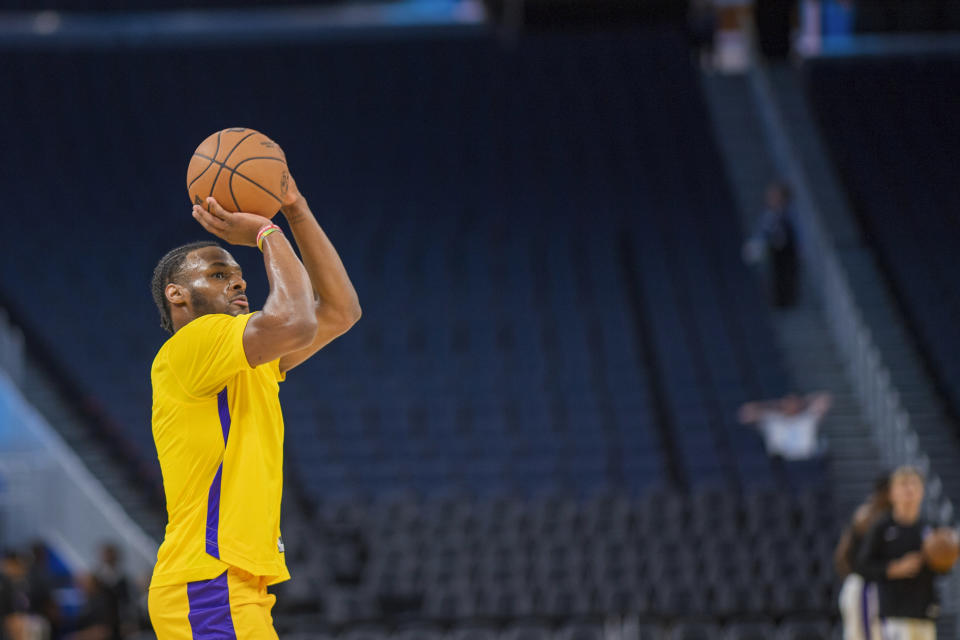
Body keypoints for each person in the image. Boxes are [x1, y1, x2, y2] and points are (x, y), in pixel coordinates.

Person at [147, 165, 361, 640]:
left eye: (240, 274)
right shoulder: (195, 342)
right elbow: (295, 322)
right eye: (219, 274)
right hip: (209, 581)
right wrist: (266, 231)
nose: (239, 283)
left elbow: (341, 312)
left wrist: (297, 210)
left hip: (226, 585)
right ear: (176, 294)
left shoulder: (247, 360)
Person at [856, 467, 942, 640]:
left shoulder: (931, 528)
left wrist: (944, 559)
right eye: (903, 484)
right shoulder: (882, 527)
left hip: (924, 612)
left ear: (922, 491)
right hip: (893, 614)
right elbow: (862, 565)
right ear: (892, 493)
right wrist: (893, 568)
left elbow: (944, 571)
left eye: (914, 484)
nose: (909, 489)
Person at [834, 473, 891, 640]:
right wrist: (857, 577)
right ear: (886, 492)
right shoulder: (868, 515)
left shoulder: (886, 515)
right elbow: (841, 556)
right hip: (864, 587)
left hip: (877, 587)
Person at [743, 182, 799, 308]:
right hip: (773, 258)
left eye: (775, 197)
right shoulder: (768, 216)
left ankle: (787, 303)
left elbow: (794, 236)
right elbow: (761, 235)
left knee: (786, 281)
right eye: (770, 197)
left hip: (787, 256)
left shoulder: (791, 215)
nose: (772, 200)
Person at [738, 391, 832, 460]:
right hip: (781, 462)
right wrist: (775, 404)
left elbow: (825, 398)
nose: (790, 406)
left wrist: (801, 402)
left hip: (808, 460)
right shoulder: (772, 419)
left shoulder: (806, 418)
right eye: (787, 403)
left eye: (793, 403)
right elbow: (745, 413)